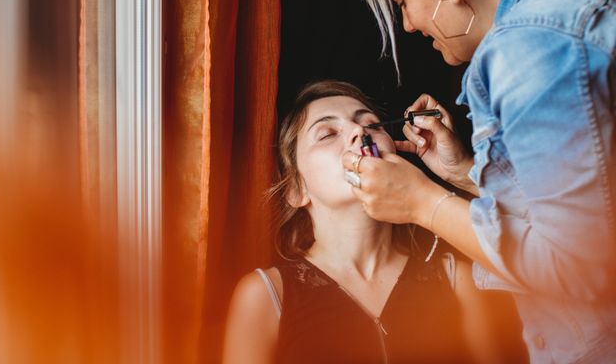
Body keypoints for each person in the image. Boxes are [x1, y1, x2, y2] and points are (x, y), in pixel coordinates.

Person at [347, 0, 616, 362]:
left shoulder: (530, 50)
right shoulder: (548, 14)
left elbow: (579, 269)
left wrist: (423, 203)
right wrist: (461, 172)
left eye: (402, 0)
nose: (407, 24)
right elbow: (568, 213)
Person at [223, 80, 525, 364]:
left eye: (371, 124)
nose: (358, 131)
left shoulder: (458, 279)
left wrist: (462, 172)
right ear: (296, 190)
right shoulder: (264, 296)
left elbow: (553, 252)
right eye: (328, 133)